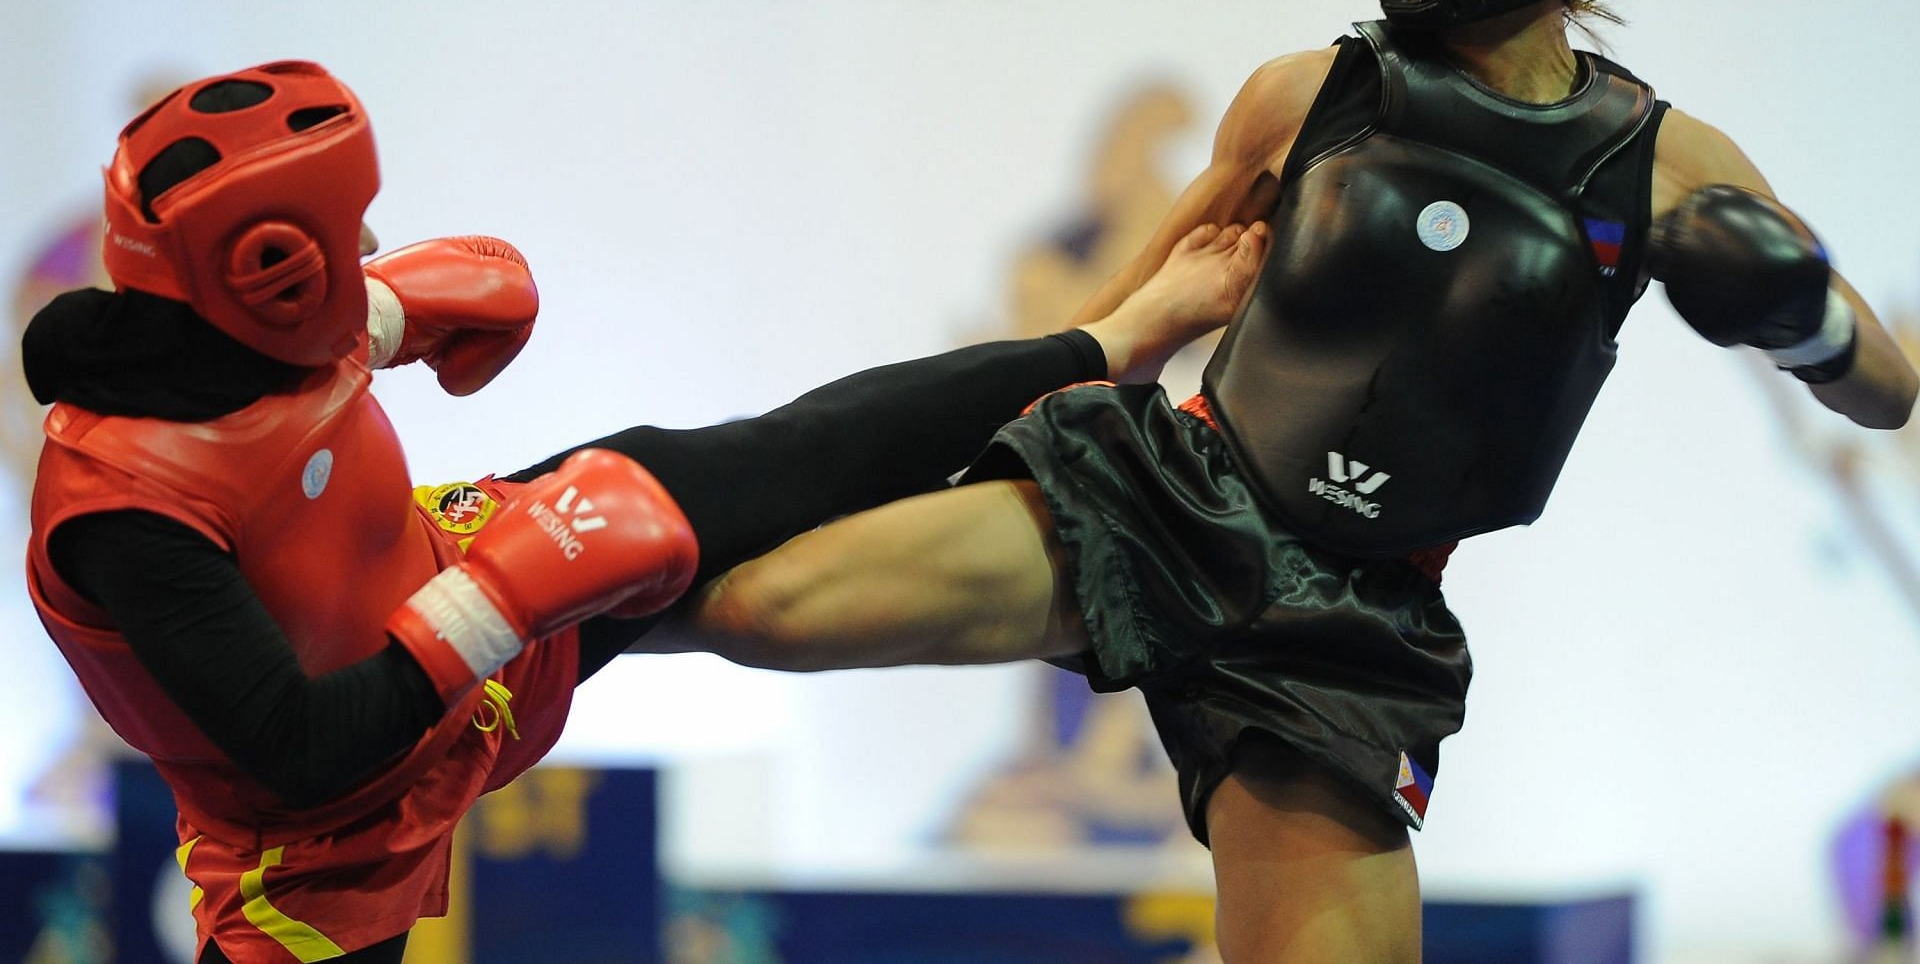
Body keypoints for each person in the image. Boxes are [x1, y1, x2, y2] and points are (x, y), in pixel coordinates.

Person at [640, 0, 1920, 963]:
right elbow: (1110, 330)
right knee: (765, 607)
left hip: (1350, 626)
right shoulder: (1306, 97)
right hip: (1165, 492)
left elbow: (1888, 387)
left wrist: (1803, 317)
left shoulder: (1665, 163)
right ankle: (489, 623)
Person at [21, 60, 1266, 964]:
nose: (374, 251)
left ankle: (1110, 340)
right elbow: (296, 749)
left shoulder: (261, 318)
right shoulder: (123, 509)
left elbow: (333, 340)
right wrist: (504, 589)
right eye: (350, 238)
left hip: (433, 582)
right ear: (272, 268)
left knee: (781, 454)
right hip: (314, 841)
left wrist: (408, 316)